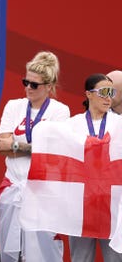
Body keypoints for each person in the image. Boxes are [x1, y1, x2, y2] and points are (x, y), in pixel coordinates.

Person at [0, 51, 69, 262]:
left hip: (43, 191)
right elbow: (2, 146)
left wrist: (17, 144)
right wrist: (34, 147)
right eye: (25, 82)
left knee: (44, 253)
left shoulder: (59, 111)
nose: (28, 87)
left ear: (48, 86)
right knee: (11, 252)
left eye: (34, 84)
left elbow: (54, 153)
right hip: (13, 186)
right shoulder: (14, 106)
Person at [67, 73, 122, 262]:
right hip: (81, 205)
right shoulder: (72, 125)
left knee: (115, 259)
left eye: (112, 92)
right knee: (80, 258)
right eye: (104, 92)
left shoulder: (120, 125)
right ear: (89, 94)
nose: (109, 97)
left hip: (112, 205)